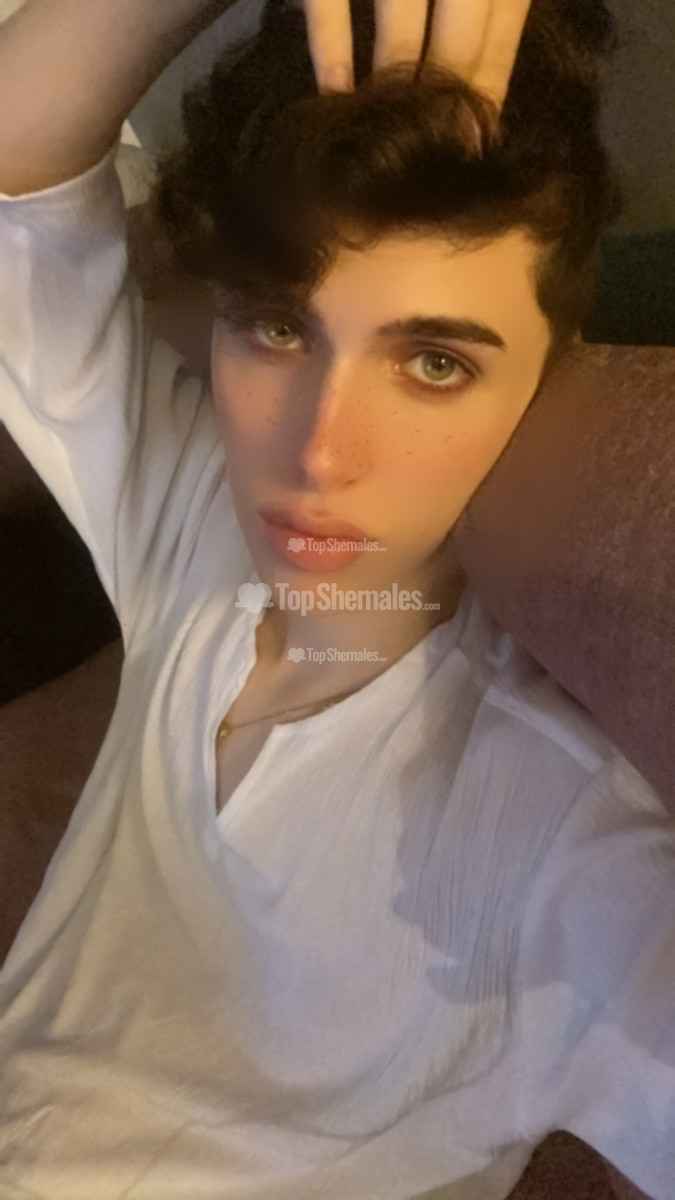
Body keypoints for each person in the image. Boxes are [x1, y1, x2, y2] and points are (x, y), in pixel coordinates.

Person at [0, 2, 672, 1198]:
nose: (318, 454)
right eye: (277, 327)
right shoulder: (195, 520)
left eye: (434, 363)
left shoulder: (563, 836)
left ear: (547, 380)